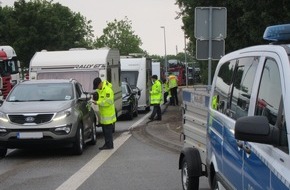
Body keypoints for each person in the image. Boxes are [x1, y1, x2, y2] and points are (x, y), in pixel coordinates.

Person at [93, 77, 116, 150]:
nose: (97, 88)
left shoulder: (107, 90)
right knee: (105, 132)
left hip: (108, 115)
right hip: (103, 115)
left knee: (108, 132)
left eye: (97, 86)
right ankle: (108, 144)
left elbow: (109, 102)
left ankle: (109, 145)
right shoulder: (100, 90)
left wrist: (98, 102)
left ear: (100, 84)